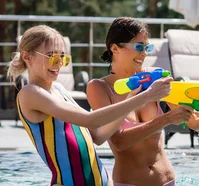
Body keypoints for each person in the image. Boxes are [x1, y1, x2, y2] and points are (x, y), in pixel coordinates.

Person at [86, 17, 199, 186]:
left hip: (167, 181)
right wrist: (167, 119)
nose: (144, 53)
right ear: (115, 48)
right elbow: (120, 142)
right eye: (138, 47)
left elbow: (194, 121)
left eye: (146, 47)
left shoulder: (154, 77)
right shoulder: (99, 88)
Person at [8, 25, 171, 186]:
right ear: (27, 57)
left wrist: (132, 96)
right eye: (51, 56)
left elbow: (98, 136)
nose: (58, 64)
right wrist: (145, 97)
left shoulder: (59, 89)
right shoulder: (30, 93)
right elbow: (90, 119)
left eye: (63, 57)